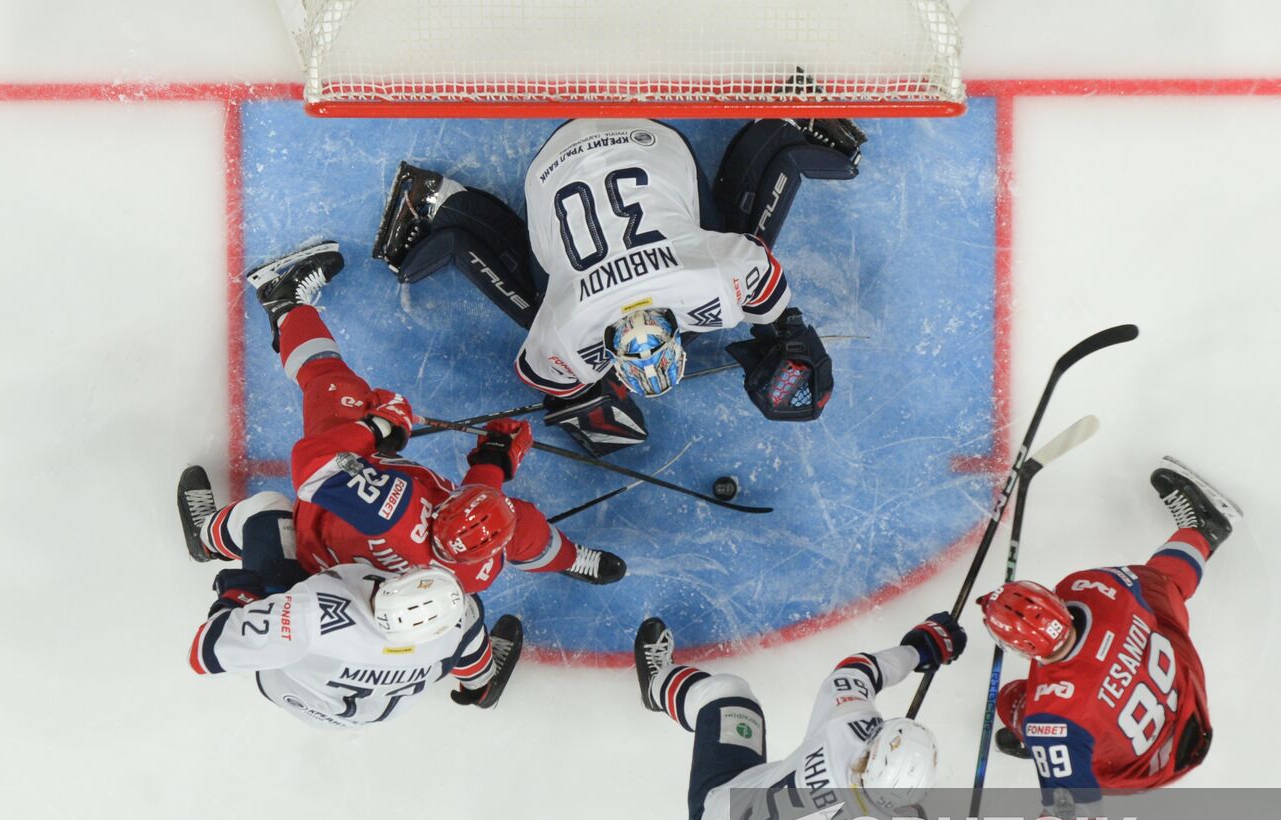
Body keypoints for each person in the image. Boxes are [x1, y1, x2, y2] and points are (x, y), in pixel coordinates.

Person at [372, 114, 864, 455]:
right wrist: (586, 388)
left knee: (732, 242)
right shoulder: (568, 332)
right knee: (543, 310)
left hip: (645, 139)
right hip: (552, 165)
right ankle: (438, 202)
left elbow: (759, 268)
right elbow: (550, 379)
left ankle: (787, 127)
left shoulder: (709, 282)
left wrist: (784, 329)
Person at [213, 240, 626, 591]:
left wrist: (378, 426)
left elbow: (314, 466)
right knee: (524, 529)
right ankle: (568, 558)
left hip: (316, 527)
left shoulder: (394, 512)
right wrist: (493, 461)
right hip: (350, 581)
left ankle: (284, 301)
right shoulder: (473, 576)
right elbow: (476, 520)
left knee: (332, 391)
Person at [949, 457, 1242, 820]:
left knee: (1013, 699)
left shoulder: (1051, 721)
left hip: (1150, 767)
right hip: (1185, 692)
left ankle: (1068, 759)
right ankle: (1203, 531)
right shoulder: (1088, 588)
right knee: (1157, 583)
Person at [630, 612, 966, 820]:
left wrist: (921, 649)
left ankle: (657, 683)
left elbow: (855, 671)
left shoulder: (847, 731)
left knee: (728, 694)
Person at [178, 465, 522, 727]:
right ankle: (481, 685)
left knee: (267, 509)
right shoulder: (453, 629)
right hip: (372, 712)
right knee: (468, 619)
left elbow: (204, 652)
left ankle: (206, 538)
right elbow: (462, 631)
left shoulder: (312, 614)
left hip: (287, 684)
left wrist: (240, 595)